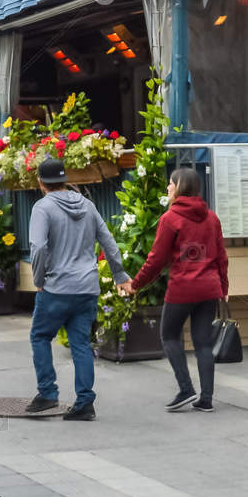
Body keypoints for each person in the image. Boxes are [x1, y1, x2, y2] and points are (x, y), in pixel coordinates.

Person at [24, 157, 130, 421]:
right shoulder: (88, 205)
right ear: (64, 180)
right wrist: (119, 274)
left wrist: (38, 279)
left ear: (41, 183)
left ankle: (47, 393)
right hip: (87, 288)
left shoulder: (42, 207)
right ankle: (84, 402)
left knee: (40, 336)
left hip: (57, 287)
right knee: (81, 343)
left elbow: (37, 247)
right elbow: (109, 242)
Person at [121, 167, 230, 413]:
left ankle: (185, 388)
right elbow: (221, 257)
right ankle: (206, 399)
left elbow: (156, 260)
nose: (168, 187)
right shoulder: (212, 217)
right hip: (210, 288)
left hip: (183, 288)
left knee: (169, 335)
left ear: (180, 187)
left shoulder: (170, 219)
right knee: (203, 343)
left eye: (171, 183)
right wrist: (223, 287)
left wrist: (135, 284)